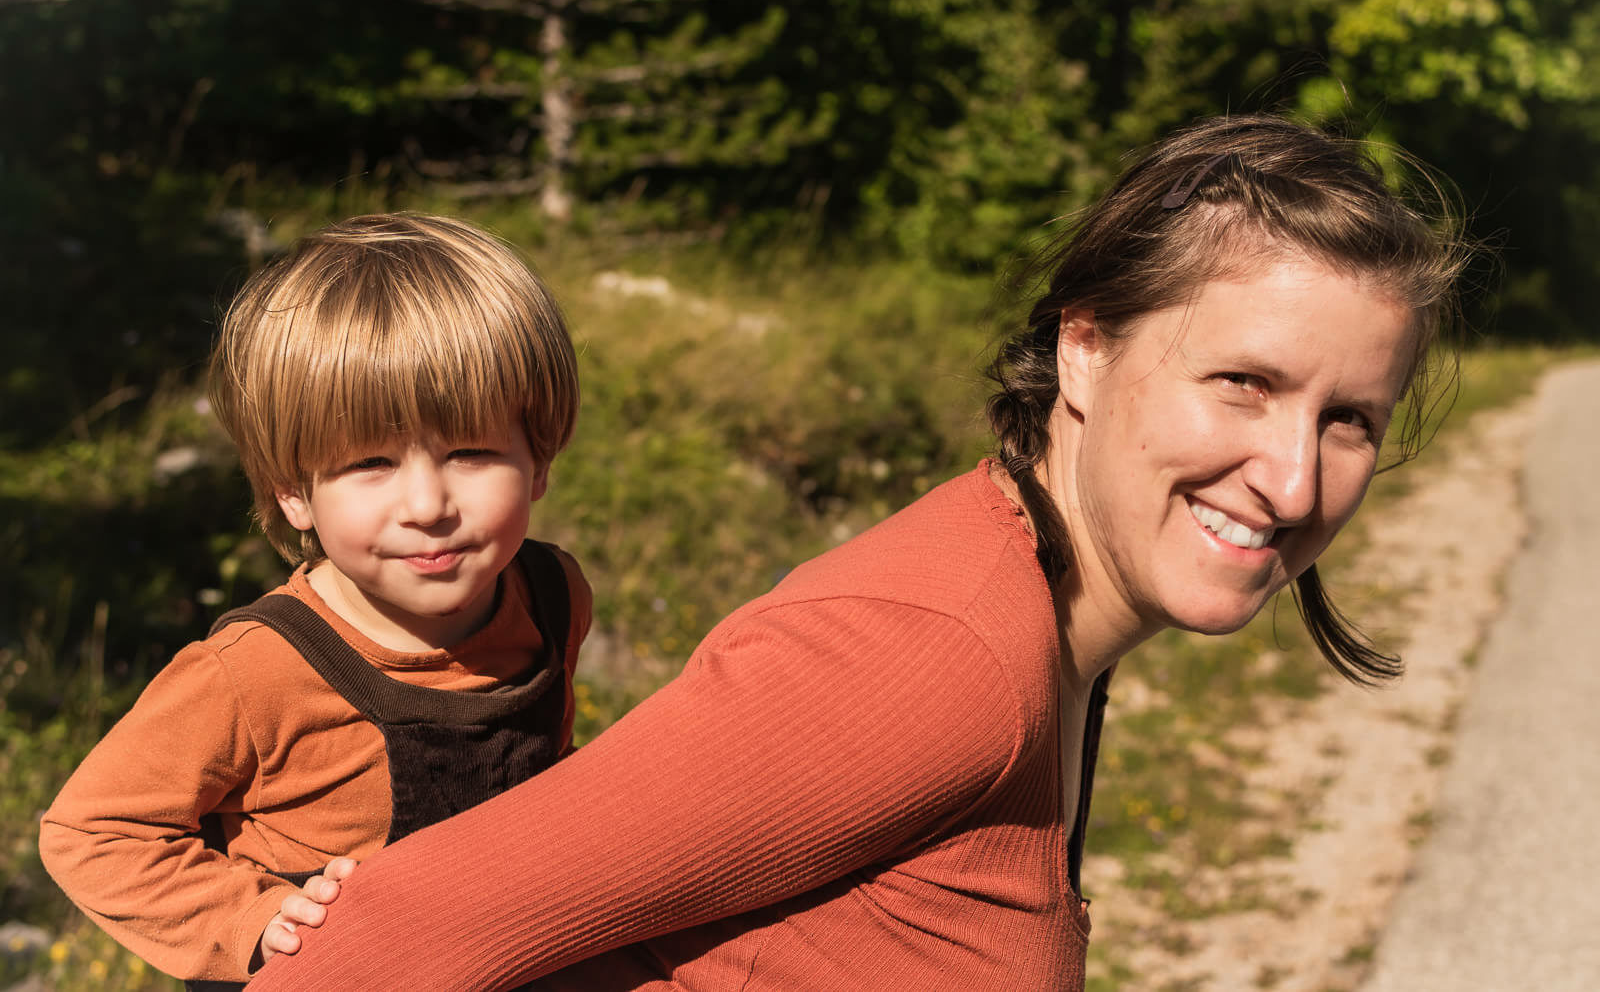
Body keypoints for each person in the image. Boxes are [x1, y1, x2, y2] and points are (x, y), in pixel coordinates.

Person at [246, 114, 1467, 992]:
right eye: (1242, 383)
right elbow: (387, 941)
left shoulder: (1038, 618)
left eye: (1347, 417)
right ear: (1085, 348)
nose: (1296, 477)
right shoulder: (931, 657)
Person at [38, 213, 591, 990]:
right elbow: (90, 830)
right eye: (371, 461)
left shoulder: (555, 597)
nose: (428, 503)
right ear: (293, 490)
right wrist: (250, 918)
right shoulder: (255, 671)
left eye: (471, 450)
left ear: (538, 456)